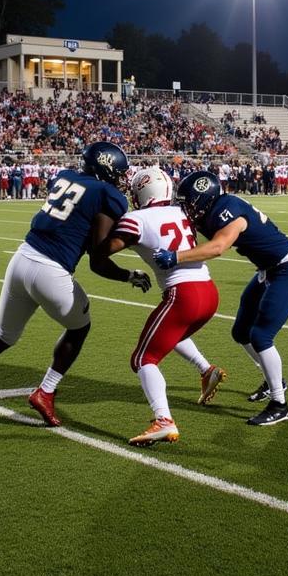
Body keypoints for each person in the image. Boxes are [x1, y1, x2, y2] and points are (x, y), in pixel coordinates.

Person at [0, 142, 152, 430]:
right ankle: (46, 391)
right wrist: (129, 275)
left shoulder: (64, 176)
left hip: (21, 258)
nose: (122, 178)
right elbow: (98, 261)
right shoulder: (107, 194)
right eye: (119, 171)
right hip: (51, 271)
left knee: (2, 336)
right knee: (80, 327)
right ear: (106, 167)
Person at [153, 169, 288, 428]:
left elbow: (217, 247)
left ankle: (280, 404)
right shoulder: (207, 214)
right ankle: (275, 382)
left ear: (205, 198)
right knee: (241, 332)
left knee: (260, 336)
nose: (186, 209)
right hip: (267, 270)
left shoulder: (229, 208)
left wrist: (175, 257)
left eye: (189, 203)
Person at [98, 166, 226, 446]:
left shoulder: (135, 219)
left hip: (183, 295)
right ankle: (206, 370)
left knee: (143, 359)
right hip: (208, 291)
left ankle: (163, 420)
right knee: (172, 334)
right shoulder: (182, 213)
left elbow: (103, 250)